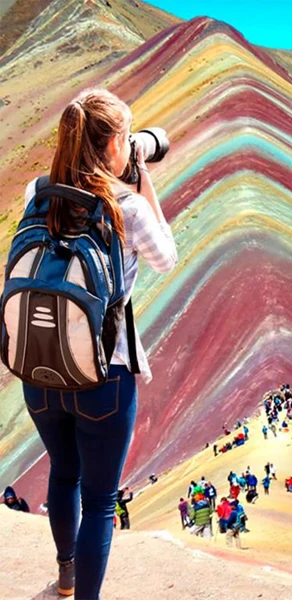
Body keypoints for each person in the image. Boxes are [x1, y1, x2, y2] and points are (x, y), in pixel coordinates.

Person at [17, 89, 178, 599]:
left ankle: (66, 576)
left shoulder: (37, 192)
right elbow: (166, 258)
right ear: (112, 144)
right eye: (127, 139)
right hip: (104, 375)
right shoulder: (126, 207)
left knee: (63, 474)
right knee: (101, 501)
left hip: (39, 369)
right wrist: (144, 180)